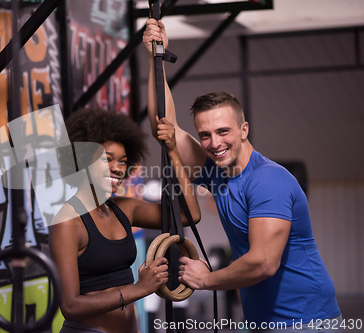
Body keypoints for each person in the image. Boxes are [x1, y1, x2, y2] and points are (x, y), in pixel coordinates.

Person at [143, 18, 342, 332]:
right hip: (260, 320)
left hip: (307, 321)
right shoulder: (216, 172)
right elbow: (163, 128)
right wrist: (156, 56)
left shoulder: (268, 181)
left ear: (244, 129)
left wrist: (206, 279)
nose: (214, 143)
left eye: (223, 131)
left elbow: (263, 263)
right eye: (205, 134)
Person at [49, 107, 201, 333]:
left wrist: (173, 152)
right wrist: (140, 289)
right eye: (107, 159)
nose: (117, 169)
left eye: (123, 162)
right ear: (81, 160)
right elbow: (70, 306)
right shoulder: (68, 221)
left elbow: (188, 215)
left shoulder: (123, 209)